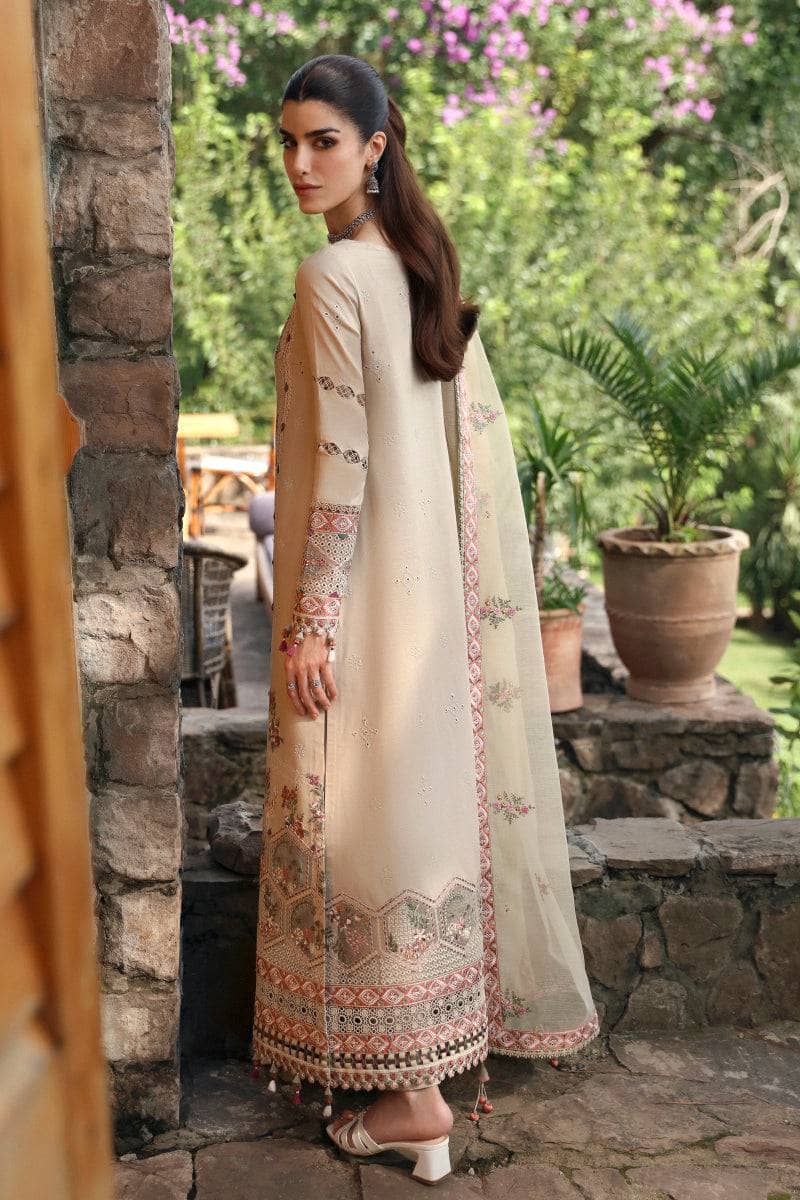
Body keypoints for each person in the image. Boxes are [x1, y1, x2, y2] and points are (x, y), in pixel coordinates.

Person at [250, 52, 599, 1187]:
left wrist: (309, 620)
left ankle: (410, 1102)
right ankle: (423, 1100)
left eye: (323, 142)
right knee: (410, 827)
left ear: (375, 146)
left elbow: (344, 463)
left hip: (359, 610)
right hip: (429, 614)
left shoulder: (332, 274)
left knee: (359, 828)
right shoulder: (418, 268)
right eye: (288, 142)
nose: (300, 164)